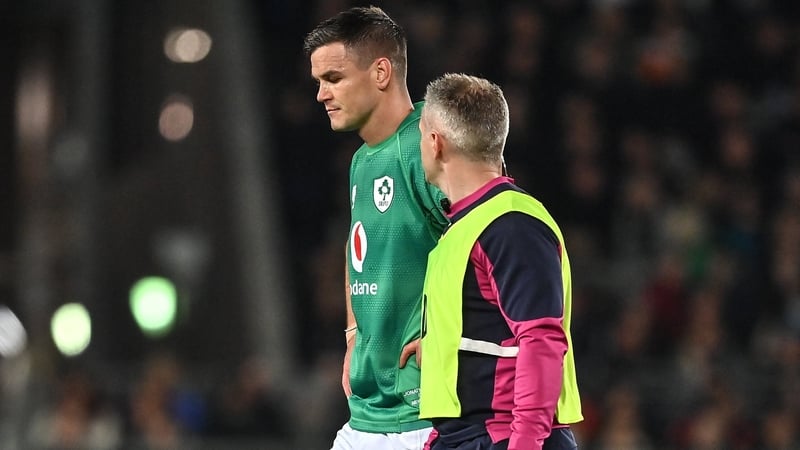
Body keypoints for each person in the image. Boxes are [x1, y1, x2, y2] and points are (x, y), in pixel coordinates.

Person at [303, 6, 449, 450]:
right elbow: (357, 249)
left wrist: (448, 338)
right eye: (318, 83)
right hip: (367, 412)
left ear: (381, 71)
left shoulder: (433, 142)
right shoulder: (361, 160)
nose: (321, 95)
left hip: (423, 414)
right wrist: (352, 335)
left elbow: (489, 244)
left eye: (334, 78)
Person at [416, 73, 584, 450]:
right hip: (469, 435)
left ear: (435, 142)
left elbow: (540, 338)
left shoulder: (510, 224)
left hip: (507, 436)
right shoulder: (468, 223)